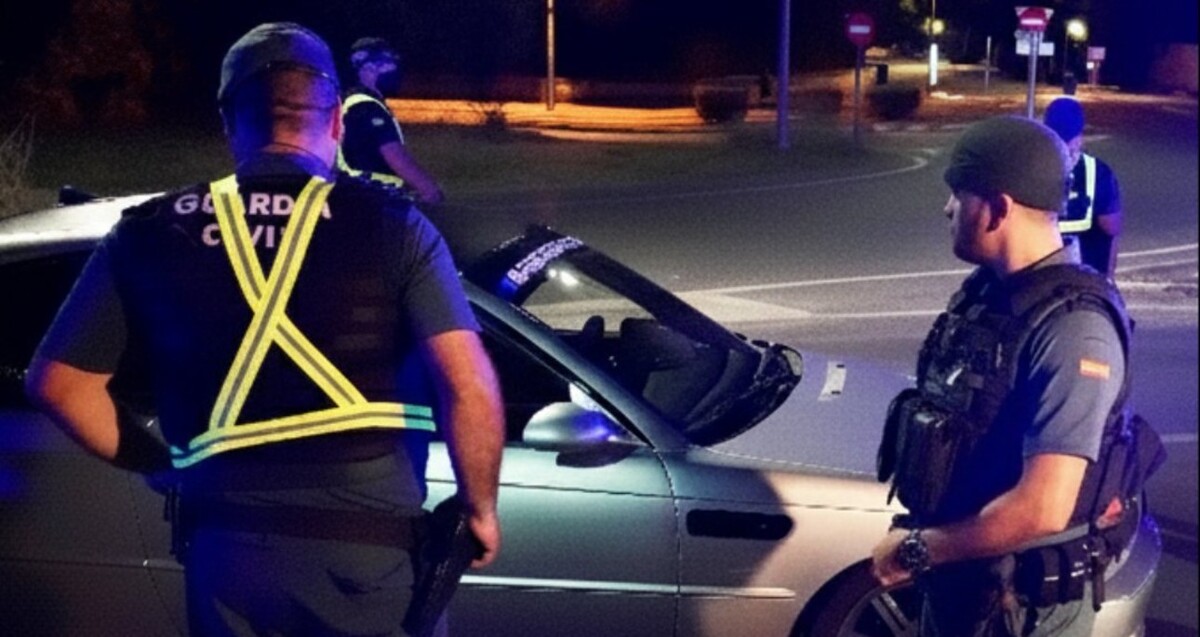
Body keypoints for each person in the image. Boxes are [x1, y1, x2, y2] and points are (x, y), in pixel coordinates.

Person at [25, 22, 503, 636]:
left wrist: (165, 466)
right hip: (368, 558)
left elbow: (58, 385)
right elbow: (469, 386)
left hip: (226, 556)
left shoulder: (148, 231)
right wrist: (480, 507)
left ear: (229, 123)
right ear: (336, 123)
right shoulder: (394, 224)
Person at [872, 116, 1136, 636]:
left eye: (959, 194)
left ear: (997, 208)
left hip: (1021, 611)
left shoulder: (1074, 329)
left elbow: (1043, 507)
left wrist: (918, 550)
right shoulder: (992, 293)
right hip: (966, 585)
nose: (948, 208)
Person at [340, 36, 445, 205]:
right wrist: (429, 189)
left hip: (365, 193)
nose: (394, 70)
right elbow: (393, 153)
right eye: (387, 65)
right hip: (370, 196)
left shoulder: (359, 103)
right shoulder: (365, 106)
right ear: (368, 69)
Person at [1043, 97, 1123, 278]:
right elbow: (1111, 228)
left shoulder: (1028, 167)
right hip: (1086, 278)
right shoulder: (1099, 173)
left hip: (1036, 278)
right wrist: (1108, 280)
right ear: (1079, 138)